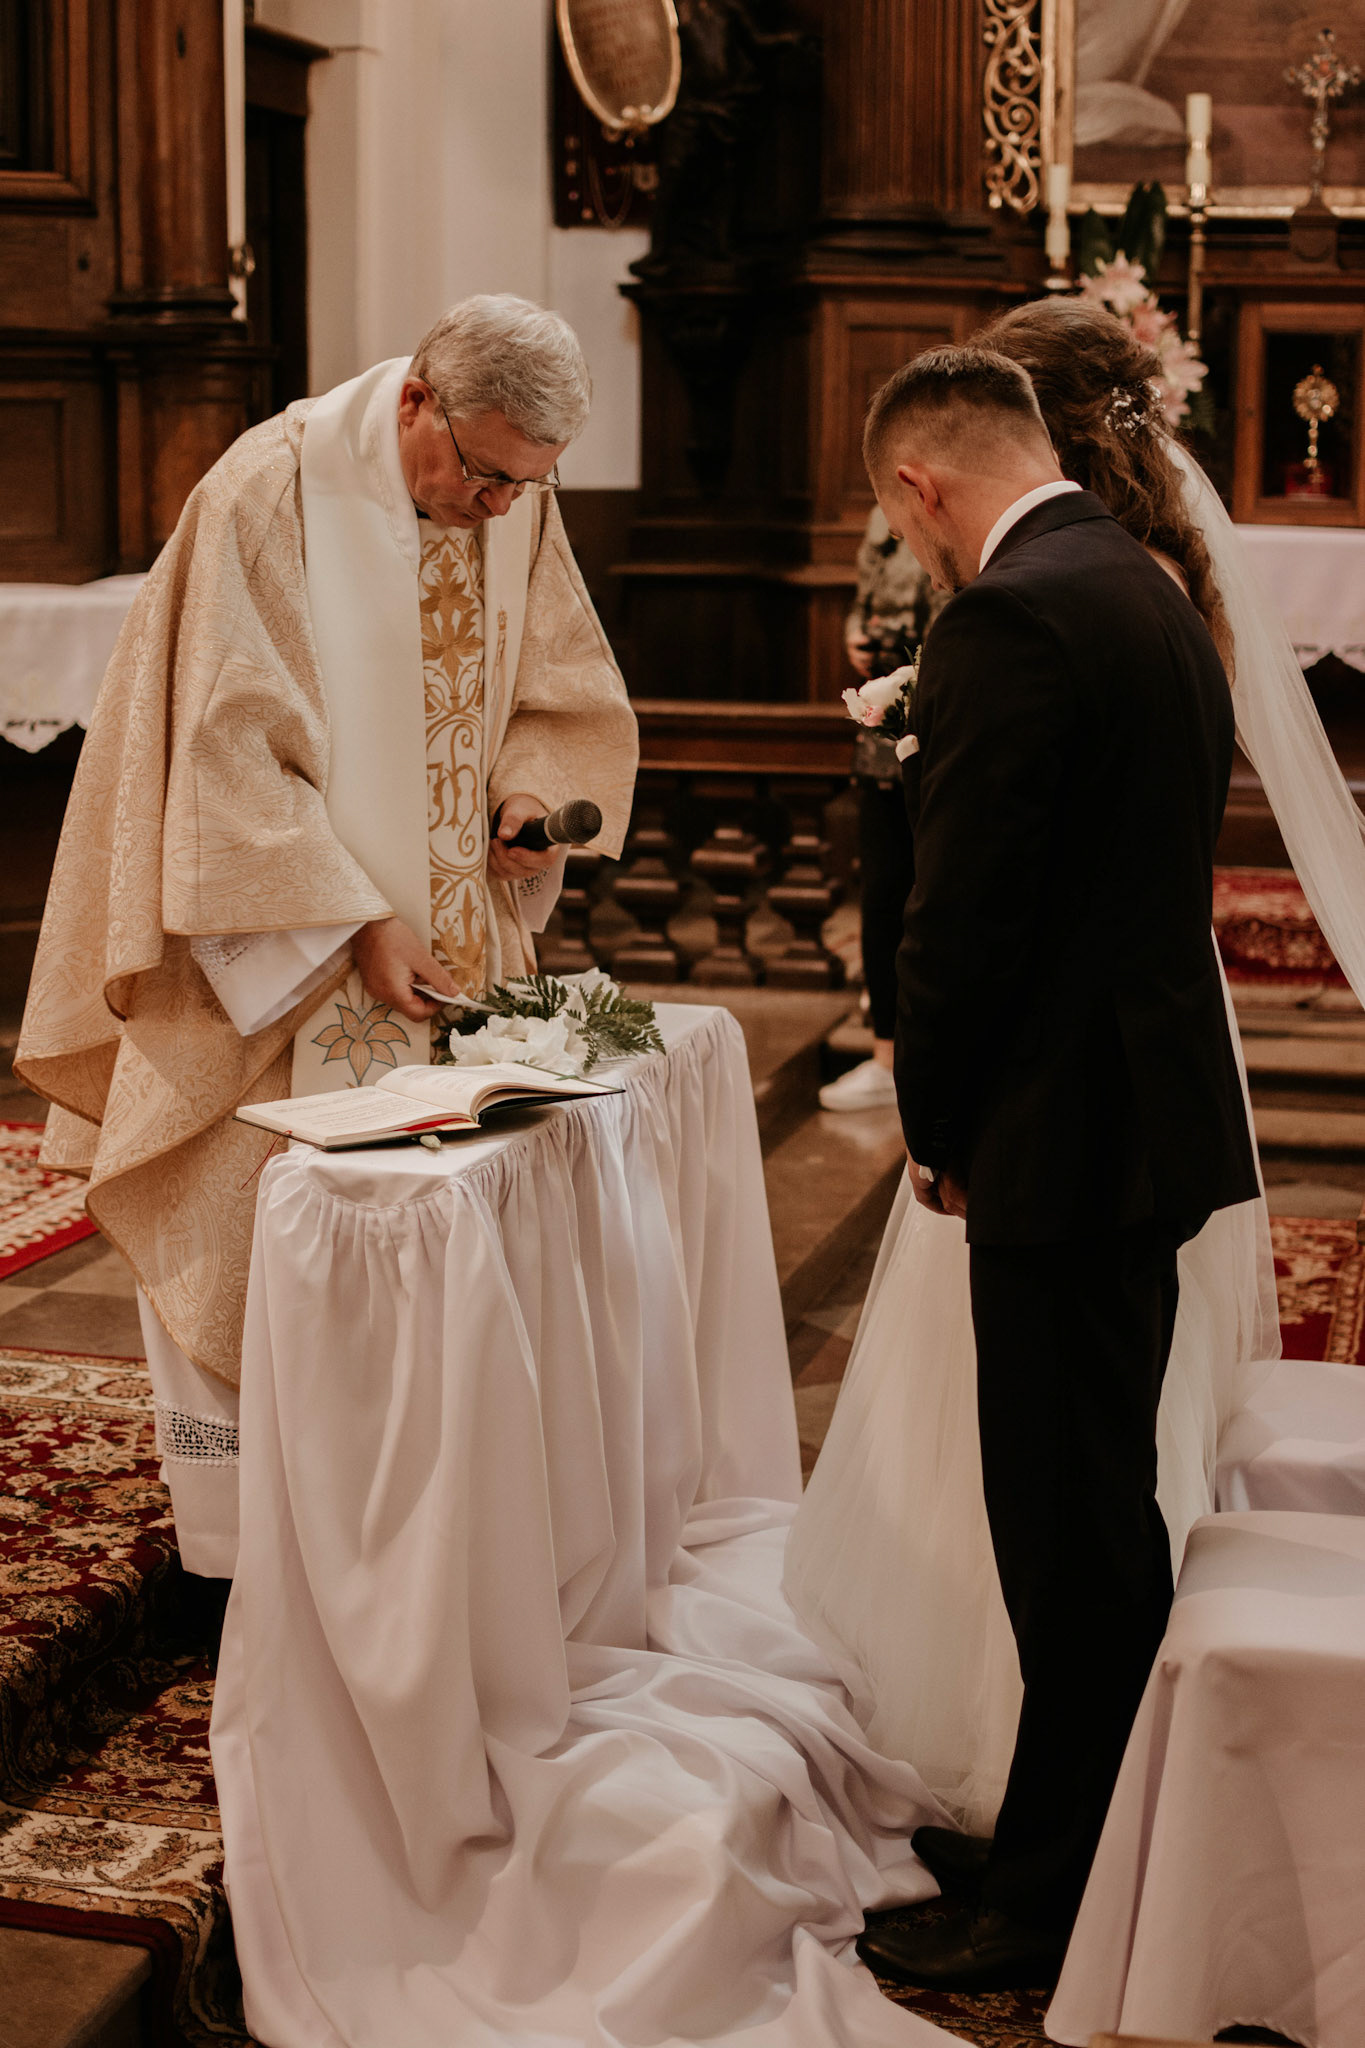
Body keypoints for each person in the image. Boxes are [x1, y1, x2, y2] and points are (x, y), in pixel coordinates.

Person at [16, 294, 639, 1576]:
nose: (500, 509)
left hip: (453, 959)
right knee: (247, 1237)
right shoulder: (269, 492)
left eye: (529, 484)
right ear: (417, 399)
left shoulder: (509, 498)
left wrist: (526, 798)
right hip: (276, 969)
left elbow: (556, 687)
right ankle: (242, 1556)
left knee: (435, 1253)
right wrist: (356, 916)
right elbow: (225, 752)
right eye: (484, 474)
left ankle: (410, 1540)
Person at [789, 338, 1263, 1993]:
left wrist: (937, 1125)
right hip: (1140, 1115)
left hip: (1060, 1136)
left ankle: (1057, 1898)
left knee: (1067, 1531)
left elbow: (965, 916)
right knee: (1093, 1509)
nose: (912, 548)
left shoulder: (1010, 615)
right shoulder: (1142, 582)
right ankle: (1078, 1835)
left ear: (922, 483)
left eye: (898, 519)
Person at [820, 510, 943, 1114]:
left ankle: (939, 1060)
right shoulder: (879, 521)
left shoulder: (950, 514)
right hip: (881, 743)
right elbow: (863, 604)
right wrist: (857, 637)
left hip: (938, 736)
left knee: (936, 901)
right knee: (883, 897)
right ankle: (885, 1058)